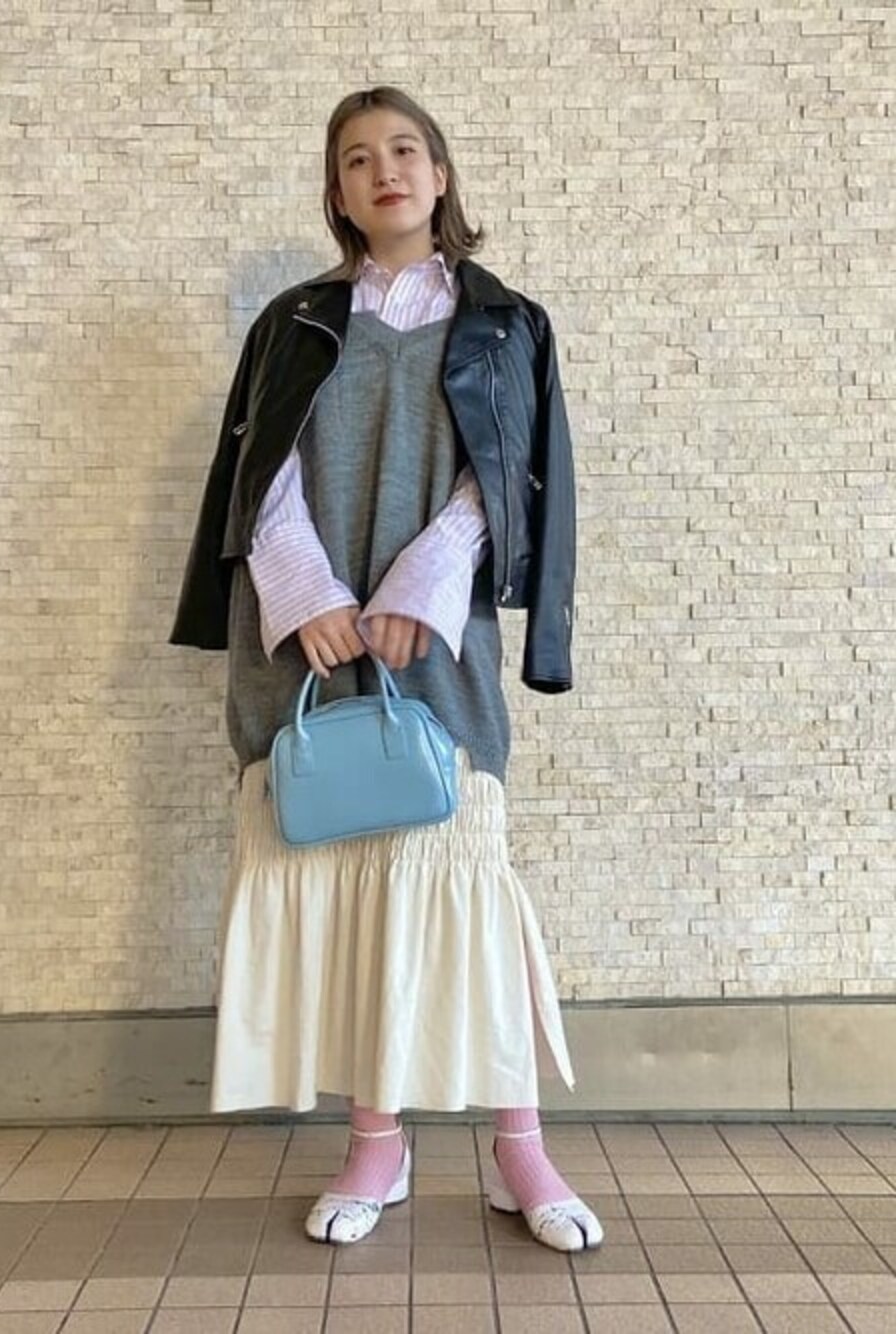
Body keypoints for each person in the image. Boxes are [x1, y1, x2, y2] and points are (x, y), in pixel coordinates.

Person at [169, 84, 603, 1254]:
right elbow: (258, 475)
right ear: (338, 190)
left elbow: (508, 475)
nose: (385, 170)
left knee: (464, 883)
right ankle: (376, 1142)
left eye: (405, 149)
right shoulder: (293, 321)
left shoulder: (507, 322)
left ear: (441, 173)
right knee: (355, 896)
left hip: (436, 642)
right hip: (312, 643)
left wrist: (425, 579)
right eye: (357, 158)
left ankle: (520, 1147)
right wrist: (306, 591)